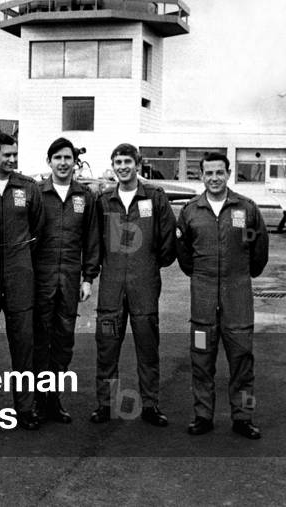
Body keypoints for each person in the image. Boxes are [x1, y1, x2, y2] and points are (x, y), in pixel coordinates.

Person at [176, 152, 268, 439]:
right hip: (203, 304)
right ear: (201, 175)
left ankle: (243, 418)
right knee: (201, 360)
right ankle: (203, 416)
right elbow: (184, 254)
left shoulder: (247, 209)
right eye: (209, 173)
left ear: (228, 173)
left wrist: (241, 275)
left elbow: (259, 251)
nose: (214, 178)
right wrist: (202, 277)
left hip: (238, 301)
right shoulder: (191, 211)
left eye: (219, 172)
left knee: (242, 361)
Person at [91, 143, 176, 426]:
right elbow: (95, 241)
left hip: (144, 287)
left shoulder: (154, 197)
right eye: (118, 162)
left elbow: (168, 239)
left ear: (137, 165)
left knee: (147, 349)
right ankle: (105, 405)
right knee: (107, 348)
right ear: (113, 166)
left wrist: (149, 264)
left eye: (128, 161)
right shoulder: (104, 200)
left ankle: (150, 405)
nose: (123, 167)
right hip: (111, 289)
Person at [33, 137, 100, 423]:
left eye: (67, 158)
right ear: (49, 161)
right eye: (57, 158)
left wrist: (88, 278)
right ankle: (37, 401)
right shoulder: (37, 193)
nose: (63, 163)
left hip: (70, 280)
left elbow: (92, 240)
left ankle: (54, 399)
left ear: (75, 163)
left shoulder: (85, 196)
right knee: (39, 340)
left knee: (63, 341)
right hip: (41, 279)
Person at [0, 132, 43, 429]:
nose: (12, 159)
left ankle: (25, 408)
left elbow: (37, 229)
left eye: (15, 154)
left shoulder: (28, 188)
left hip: (19, 273)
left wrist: (21, 257)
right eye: (6, 154)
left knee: (23, 343)